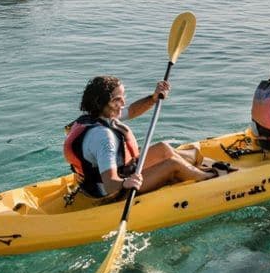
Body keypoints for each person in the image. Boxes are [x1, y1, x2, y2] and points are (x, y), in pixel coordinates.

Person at [64, 75, 221, 200]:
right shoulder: (103, 137)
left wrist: (153, 97)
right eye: (117, 99)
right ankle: (211, 178)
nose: (123, 103)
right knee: (172, 165)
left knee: (163, 148)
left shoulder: (95, 116)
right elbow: (111, 184)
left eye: (123, 96)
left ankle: (195, 160)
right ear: (101, 103)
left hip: (109, 176)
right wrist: (127, 182)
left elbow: (132, 110)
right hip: (110, 192)